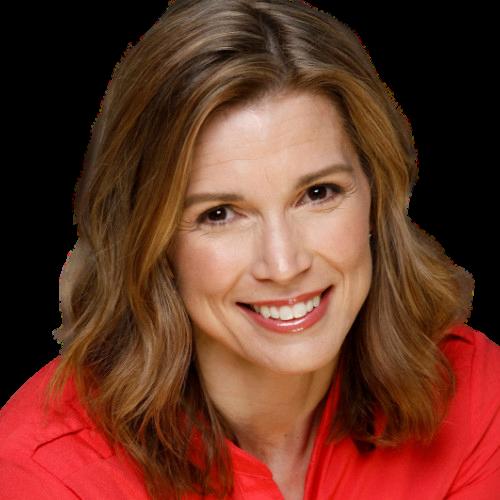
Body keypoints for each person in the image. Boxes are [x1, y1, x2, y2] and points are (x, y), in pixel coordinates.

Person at [1, 1, 499, 499]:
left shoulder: (474, 396)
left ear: (377, 194)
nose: (284, 265)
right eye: (219, 214)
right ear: (148, 240)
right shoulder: (46, 472)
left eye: (318, 193)